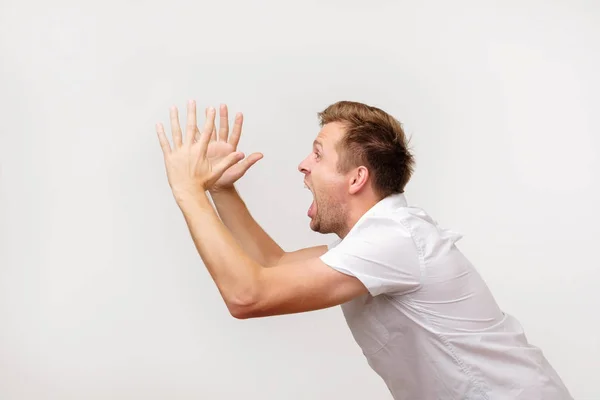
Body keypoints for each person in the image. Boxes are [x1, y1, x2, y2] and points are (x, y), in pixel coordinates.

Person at [155, 100, 573, 399]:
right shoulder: (380, 239)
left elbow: (248, 296)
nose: (303, 164)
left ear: (356, 178)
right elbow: (272, 265)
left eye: (317, 154)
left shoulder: (395, 240)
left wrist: (187, 190)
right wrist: (221, 189)